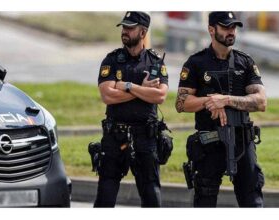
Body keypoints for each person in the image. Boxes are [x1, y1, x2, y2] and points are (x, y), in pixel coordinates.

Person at [176, 11, 267, 207]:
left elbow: (261, 102)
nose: (231, 31)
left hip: (243, 142)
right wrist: (209, 102)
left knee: (252, 202)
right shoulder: (195, 63)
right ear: (211, 30)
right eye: (226, 27)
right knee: (205, 201)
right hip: (209, 143)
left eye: (233, 27)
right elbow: (181, 103)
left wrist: (225, 100)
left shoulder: (245, 62)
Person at [94, 11, 169, 207]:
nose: (125, 31)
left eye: (130, 28)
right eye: (124, 27)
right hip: (115, 137)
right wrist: (144, 90)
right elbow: (107, 96)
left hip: (146, 138)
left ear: (143, 32)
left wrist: (127, 86)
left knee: (152, 198)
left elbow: (160, 96)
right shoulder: (112, 60)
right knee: (105, 198)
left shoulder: (154, 62)